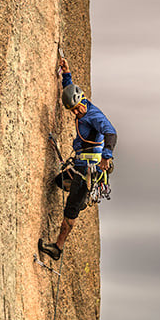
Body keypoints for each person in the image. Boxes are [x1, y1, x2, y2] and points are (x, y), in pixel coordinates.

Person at [38, 56, 117, 260]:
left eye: (77, 109)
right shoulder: (80, 103)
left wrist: (106, 157)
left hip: (88, 170)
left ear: (83, 102)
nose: (76, 113)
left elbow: (111, 133)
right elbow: (70, 89)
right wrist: (66, 73)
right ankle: (80, 198)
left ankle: (57, 247)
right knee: (59, 181)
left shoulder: (94, 116)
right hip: (80, 165)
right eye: (72, 111)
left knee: (70, 210)